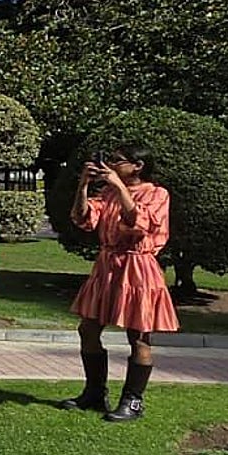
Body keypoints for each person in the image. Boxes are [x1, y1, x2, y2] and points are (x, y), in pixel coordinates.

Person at [61, 146, 178, 421]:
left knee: (138, 336)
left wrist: (116, 184)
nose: (110, 165)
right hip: (108, 266)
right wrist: (84, 186)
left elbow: (139, 223)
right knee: (88, 328)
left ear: (137, 166)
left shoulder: (157, 194)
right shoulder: (109, 193)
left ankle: (133, 401)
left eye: (116, 161)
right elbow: (83, 219)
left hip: (138, 267)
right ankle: (94, 392)